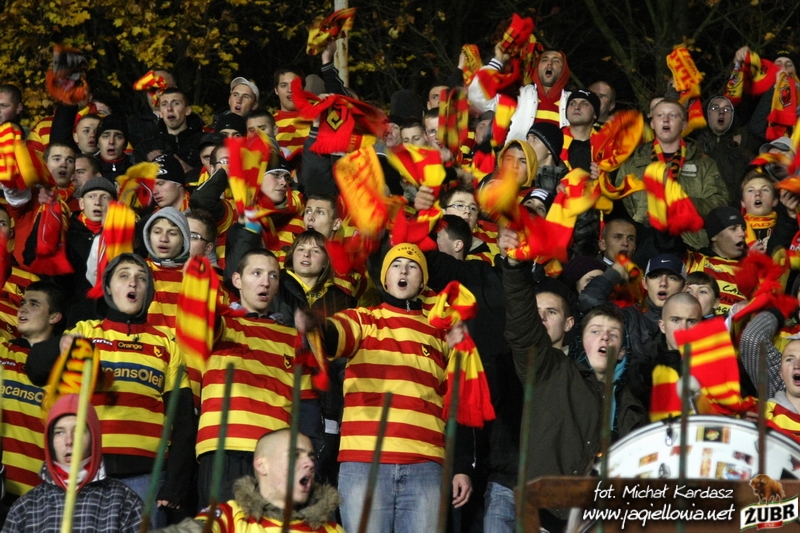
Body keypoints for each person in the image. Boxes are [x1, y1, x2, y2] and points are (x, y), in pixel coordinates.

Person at [295, 243, 474, 533]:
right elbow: (335, 334)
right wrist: (317, 326)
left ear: (423, 281)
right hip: (364, 463)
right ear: (385, 279)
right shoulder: (363, 319)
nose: (404, 270)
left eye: (413, 266)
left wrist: (462, 465)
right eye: (396, 265)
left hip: (425, 465)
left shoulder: (443, 333)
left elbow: (459, 403)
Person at [26, 254, 194, 527]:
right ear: (107, 287)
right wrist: (59, 346)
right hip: (87, 471)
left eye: (141, 278)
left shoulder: (167, 344)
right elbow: (35, 370)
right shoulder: (86, 332)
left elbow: (184, 420)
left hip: (148, 476)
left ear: (149, 290)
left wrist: (176, 482)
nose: (133, 283)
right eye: (123, 276)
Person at [500, 229, 645, 531]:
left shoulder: (633, 407)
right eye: (595, 331)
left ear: (622, 351)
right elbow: (524, 328)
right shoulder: (553, 370)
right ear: (581, 340)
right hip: (544, 517)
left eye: (613, 334)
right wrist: (515, 268)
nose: (604, 337)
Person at [2, 394, 143, 533]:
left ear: (93, 437)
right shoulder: (25, 508)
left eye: (78, 431)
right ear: (50, 441)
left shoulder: (124, 502)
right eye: (60, 432)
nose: (69, 441)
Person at [156, 430, 344, 533]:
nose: (310, 464)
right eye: (295, 455)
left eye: (311, 457)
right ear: (262, 465)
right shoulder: (229, 516)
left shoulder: (331, 529)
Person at [617, 98, 728, 250]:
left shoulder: (704, 164)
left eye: (673, 115)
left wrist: (681, 202)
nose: (666, 120)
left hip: (690, 245)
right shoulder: (632, 165)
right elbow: (623, 209)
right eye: (660, 115)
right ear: (652, 123)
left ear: (684, 125)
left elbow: (720, 206)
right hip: (644, 244)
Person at [0, 282, 65, 498]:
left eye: (34, 304)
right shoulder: (3, 351)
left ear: (54, 317)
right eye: (22, 303)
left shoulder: (65, 367)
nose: (23, 309)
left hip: (38, 497)